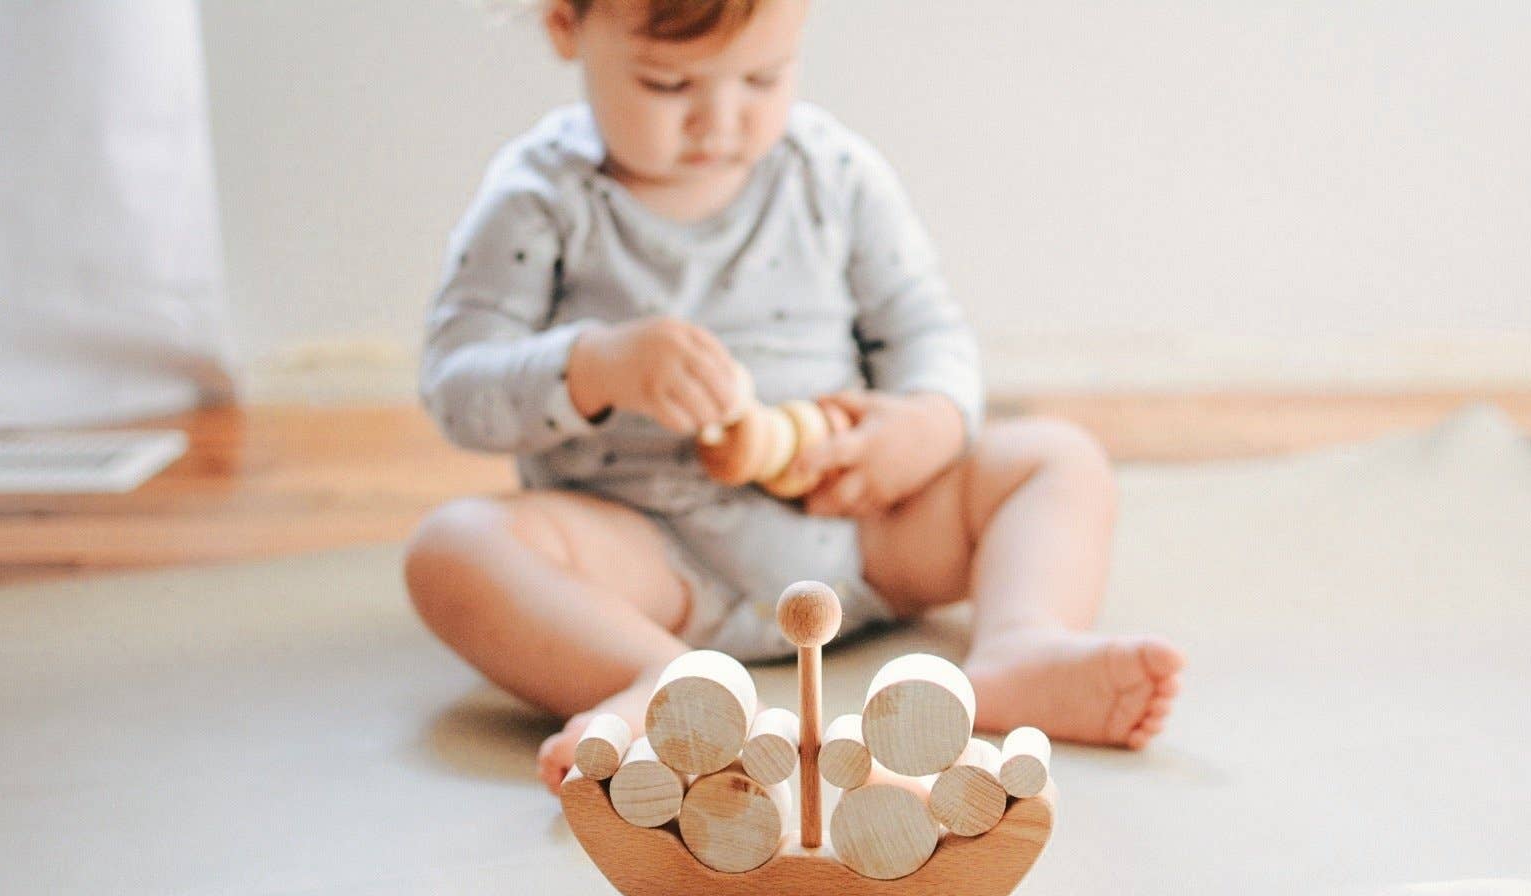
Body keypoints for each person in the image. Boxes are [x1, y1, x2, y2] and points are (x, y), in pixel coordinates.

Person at [405, 0, 1185, 795]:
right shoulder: (539, 197)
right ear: (566, 27)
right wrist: (592, 367)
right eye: (669, 83)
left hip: (856, 529)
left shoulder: (832, 173)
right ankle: (670, 684)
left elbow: (927, 331)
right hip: (650, 560)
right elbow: (457, 386)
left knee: (1059, 458)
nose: (722, 120)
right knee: (453, 549)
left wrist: (928, 425)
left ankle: (1019, 645)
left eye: (761, 77)